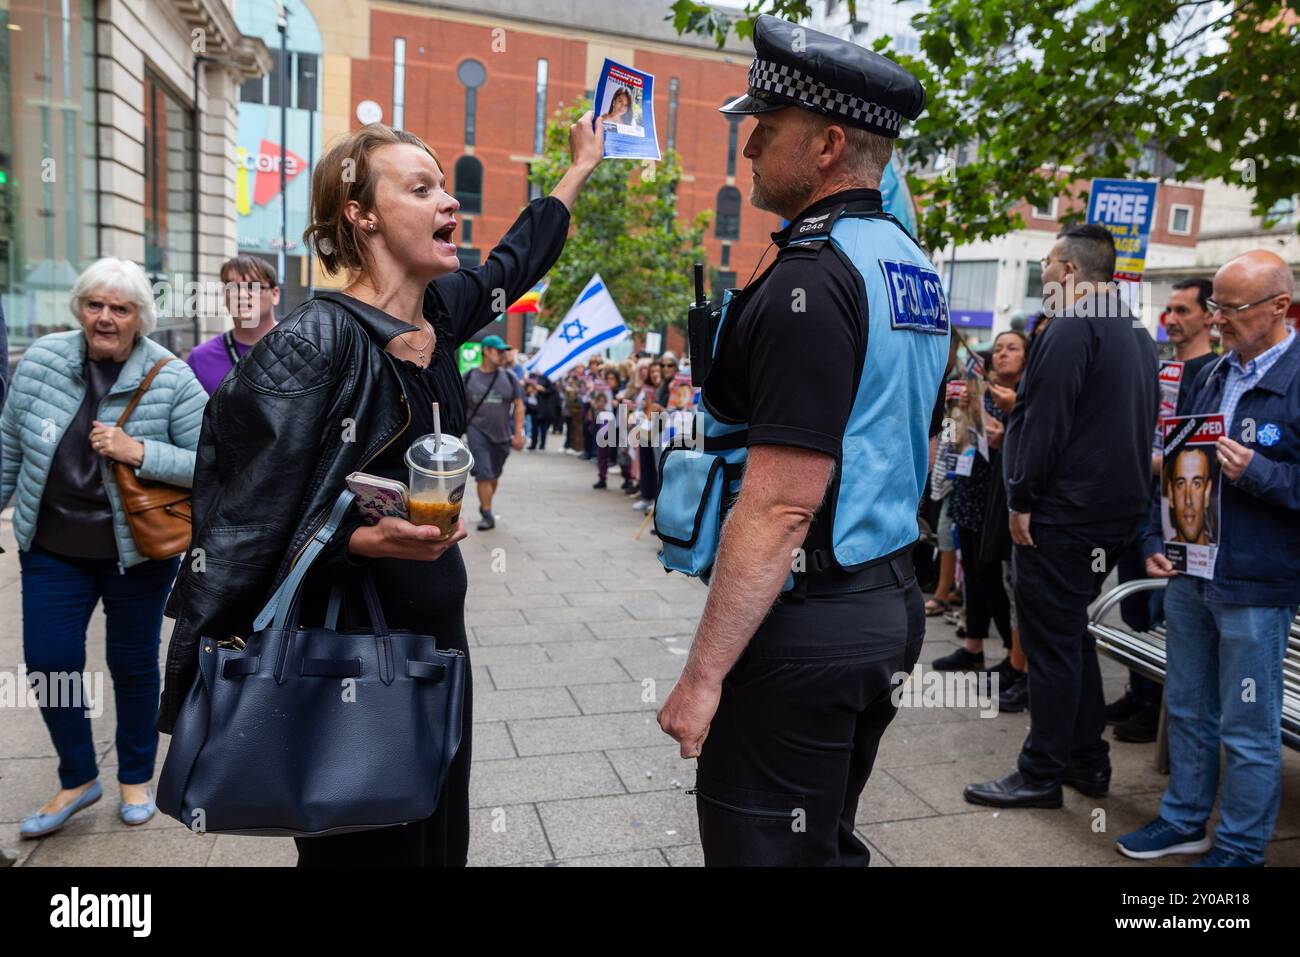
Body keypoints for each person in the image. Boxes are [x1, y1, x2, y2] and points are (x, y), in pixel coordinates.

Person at [158, 118, 603, 867]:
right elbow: (239, 516)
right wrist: (353, 540)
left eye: (446, 187)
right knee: (361, 852)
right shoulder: (312, 341)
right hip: (342, 661)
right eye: (421, 189)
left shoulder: (442, 312)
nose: (449, 203)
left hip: (435, 649)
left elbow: (516, 260)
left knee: (436, 843)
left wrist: (580, 167)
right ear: (360, 214)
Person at [655, 15, 945, 866]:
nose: (747, 145)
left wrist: (702, 675)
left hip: (809, 616)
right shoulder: (910, 265)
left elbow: (781, 506)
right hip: (884, 597)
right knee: (819, 842)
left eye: (767, 126)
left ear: (827, 145)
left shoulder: (813, 277)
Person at [2, 257, 206, 837]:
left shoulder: (171, 377)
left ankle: (135, 776)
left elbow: (213, 463)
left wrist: (139, 451)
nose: (106, 318)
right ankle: (77, 777)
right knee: (49, 662)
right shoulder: (42, 360)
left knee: (132, 664)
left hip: (137, 553)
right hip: (51, 548)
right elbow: (9, 446)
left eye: (120, 308)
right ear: (79, 308)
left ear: (140, 316)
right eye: (95, 305)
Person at [965, 224, 1158, 809]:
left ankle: (1040, 772)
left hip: (1065, 514)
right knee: (1069, 635)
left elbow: (1045, 420)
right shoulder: (1134, 329)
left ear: (1070, 271)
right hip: (1112, 511)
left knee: (1050, 643)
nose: (1044, 274)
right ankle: (1084, 759)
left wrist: (1022, 498)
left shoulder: (1071, 325)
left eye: (1048, 264)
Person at [1118, 251, 1299, 867]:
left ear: (1279, 307)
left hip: (1256, 585)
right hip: (1191, 569)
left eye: (1231, 308)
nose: (1217, 319)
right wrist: (1155, 539)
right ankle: (1183, 820)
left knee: (1248, 725)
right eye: (1215, 306)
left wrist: (1261, 473)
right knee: (1189, 706)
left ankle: (1241, 848)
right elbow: (1177, 464)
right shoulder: (1213, 372)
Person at [1107, 277, 1218, 742]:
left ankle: (1160, 707)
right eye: (1169, 310)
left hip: (1179, 512)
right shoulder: (1161, 368)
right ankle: (1141, 691)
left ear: (1209, 316)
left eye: (1183, 311)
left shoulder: (1213, 375)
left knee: (1163, 610)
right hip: (1139, 503)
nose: (1172, 319)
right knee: (1135, 607)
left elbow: (1199, 453)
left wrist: (1143, 459)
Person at [187, 255, 280, 394]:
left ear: (275, 294)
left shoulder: (301, 349)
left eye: (252, 286)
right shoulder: (200, 359)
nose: (242, 294)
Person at [464, 334, 525, 531]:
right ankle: (487, 513)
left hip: (502, 434)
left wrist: (518, 433)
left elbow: (519, 405)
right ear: (486, 351)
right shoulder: (470, 377)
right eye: (499, 351)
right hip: (477, 432)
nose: (502, 355)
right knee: (484, 474)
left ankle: (485, 504)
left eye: (504, 351)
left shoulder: (509, 377)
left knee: (494, 475)